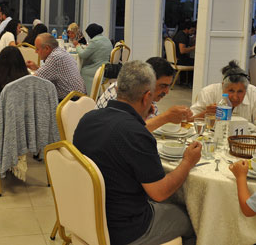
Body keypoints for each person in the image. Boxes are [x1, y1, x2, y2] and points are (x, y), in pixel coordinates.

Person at [74, 60, 200, 245]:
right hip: (126, 230)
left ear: (119, 89)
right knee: (193, 220)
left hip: (87, 218)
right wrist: (188, 161)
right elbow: (160, 193)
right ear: (147, 96)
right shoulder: (136, 134)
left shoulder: (87, 119)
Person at [96, 57, 192, 132]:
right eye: (163, 86)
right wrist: (166, 117)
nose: (167, 92)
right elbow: (127, 132)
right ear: (149, 80)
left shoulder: (145, 93)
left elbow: (151, 121)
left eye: (169, 86)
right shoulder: (122, 92)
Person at [190, 60, 256, 123]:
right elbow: (189, 121)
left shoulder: (255, 94)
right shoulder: (208, 93)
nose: (235, 97)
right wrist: (206, 113)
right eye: (231, 91)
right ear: (223, 86)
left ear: (246, 89)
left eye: (240, 92)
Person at [26, 33, 85, 100]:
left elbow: (33, 80)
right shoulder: (60, 51)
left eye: (37, 49)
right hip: (79, 96)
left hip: (71, 100)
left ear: (47, 48)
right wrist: (36, 68)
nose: (35, 52)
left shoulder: (55, 57)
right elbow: (51, 73)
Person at [74, 23, 112, 94]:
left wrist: (77, 46)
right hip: (106, 67)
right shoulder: (106, 39)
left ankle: (89, 93)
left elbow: (83, 55)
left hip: (98, 68)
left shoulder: (94, 41)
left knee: (83, 71)